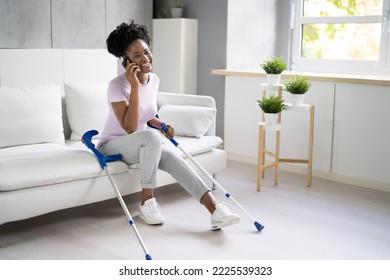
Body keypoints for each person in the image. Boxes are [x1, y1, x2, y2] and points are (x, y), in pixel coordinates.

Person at [97, 20, 240, 230]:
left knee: (175, 159)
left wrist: (161, 124)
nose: (145, 58)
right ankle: (147, 203)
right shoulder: (117, 86)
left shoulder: (153, 80)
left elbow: (146, 115)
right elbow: (129, 126)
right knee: (151, 137)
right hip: (113, 144)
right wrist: (135, 86)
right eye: (137, 55)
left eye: (146, 51)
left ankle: (216, 210)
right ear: (127, 60)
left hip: (143, 142)